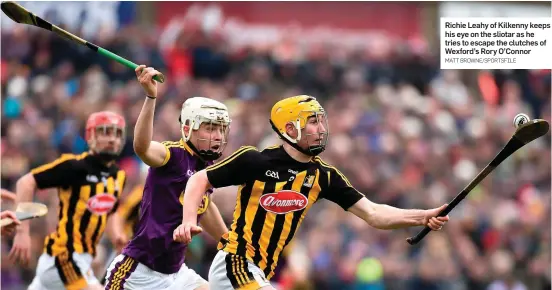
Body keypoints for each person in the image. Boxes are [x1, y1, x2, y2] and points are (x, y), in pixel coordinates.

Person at [175, 95, 450, 290]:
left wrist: (422, 216)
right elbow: (199, 180)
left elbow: (374, 213)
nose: (321, 129)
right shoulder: (254, 161)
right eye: (312, 122)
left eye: (321, 121)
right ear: (290, 129)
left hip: (259, 272)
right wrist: (189, 220)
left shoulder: (323, 176)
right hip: (234, 263)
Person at [104, 65, 231, 290]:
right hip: (137, 273)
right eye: (210, 128)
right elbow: (141, 148)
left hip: (176, 274)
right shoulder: (172, 155)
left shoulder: (205, 167)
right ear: (188, 128)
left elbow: (204, 203)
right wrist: (151, 97)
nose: (218, 136)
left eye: (221, 129)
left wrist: (228, 241)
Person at [9, 111, 128, 290]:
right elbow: (25, 183)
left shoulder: (118, 176)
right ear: (90, 136)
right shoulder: (74, 167)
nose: (112, 139)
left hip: (79, 260)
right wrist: (22, 232)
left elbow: (110, 210)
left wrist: (117, 236)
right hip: (64, 256)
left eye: (117, 133)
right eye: (105, 132)